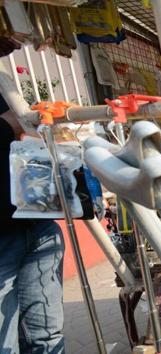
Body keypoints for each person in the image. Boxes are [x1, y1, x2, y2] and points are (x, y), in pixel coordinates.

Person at [0, 95, 65, 353]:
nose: (15, 50)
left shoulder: (3, 86)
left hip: (36, 224)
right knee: (5, 344)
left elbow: (20, 123)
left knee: (47, 338)